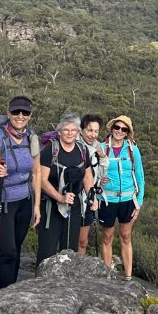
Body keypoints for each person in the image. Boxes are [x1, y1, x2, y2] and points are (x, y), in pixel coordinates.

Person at [0, 95, 40, 289]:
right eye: (16, 112)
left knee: (16, 250)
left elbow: (36, 172)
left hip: (24, 202)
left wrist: (36, 205)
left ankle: (11, 290)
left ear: (30, 115)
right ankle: (2, 293)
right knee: (7, 252)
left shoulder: (31, 137)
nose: (20, 116)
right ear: (8, 113)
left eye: (25, 112)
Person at [36, 112, 94, 265]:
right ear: (59, 131)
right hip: (50, 207)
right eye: (66, 130)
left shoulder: (82, 150)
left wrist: (92, 196)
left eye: (73, 130)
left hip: (74, 207)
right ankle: (43, 285)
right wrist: (60, 198)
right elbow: (41, 180)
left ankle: (65, 285)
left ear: (78, 132)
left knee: (69, 251)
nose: (70, 133)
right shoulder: (50, 150)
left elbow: (87, 176)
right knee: (47, 251)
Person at [97, 114, 144, 278]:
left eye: (123, 129)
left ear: (127, 133)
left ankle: (128, 276)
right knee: (107, 237)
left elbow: (140, 176)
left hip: (127, 200)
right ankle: (107, 275)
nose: (119, 131)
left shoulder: (132, 149)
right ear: (111, 128)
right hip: (107, 199)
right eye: (117, 127)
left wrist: (139, 202)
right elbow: (92, 172)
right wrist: (98, 180)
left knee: (126, 237)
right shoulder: (101, 148)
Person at [76, 114, 104, 255]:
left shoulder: (98, 147)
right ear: (81, 130)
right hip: (73, 198)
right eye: (89, 130)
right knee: (69, 239)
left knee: (83, 241)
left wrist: (103, 156)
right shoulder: (73, 144)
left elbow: (101, 170)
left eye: (96, 131)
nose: (93, 134)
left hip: (89, 198)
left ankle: (77, 270)